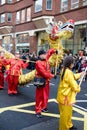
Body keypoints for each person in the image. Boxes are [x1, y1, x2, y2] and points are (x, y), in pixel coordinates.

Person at [56, 56, 86, 130]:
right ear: (70, 64)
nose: (74, 64)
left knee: (68, 113)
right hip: (66, 98)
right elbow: (74, 86)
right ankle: (63, 128)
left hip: (63, 96)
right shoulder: (68, 72)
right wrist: (78, 88)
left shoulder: (64, 70)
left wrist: (81, 74)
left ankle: (69, 125)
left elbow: (73, 77)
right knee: (65, 115)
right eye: (73, 63)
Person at [35, 48, 58, 118]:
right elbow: (44, 73)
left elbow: (49, 52)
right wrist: (52, 75)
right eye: (44, 54)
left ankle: (43, 107)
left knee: (46, 95)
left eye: (45, 54)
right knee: (39, 96)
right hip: (41, 81)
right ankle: (38, 110)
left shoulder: (46, 58)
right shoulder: (38, 63)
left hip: (47, 82)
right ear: (40, 55)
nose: (45, 55)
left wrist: (55, 50)